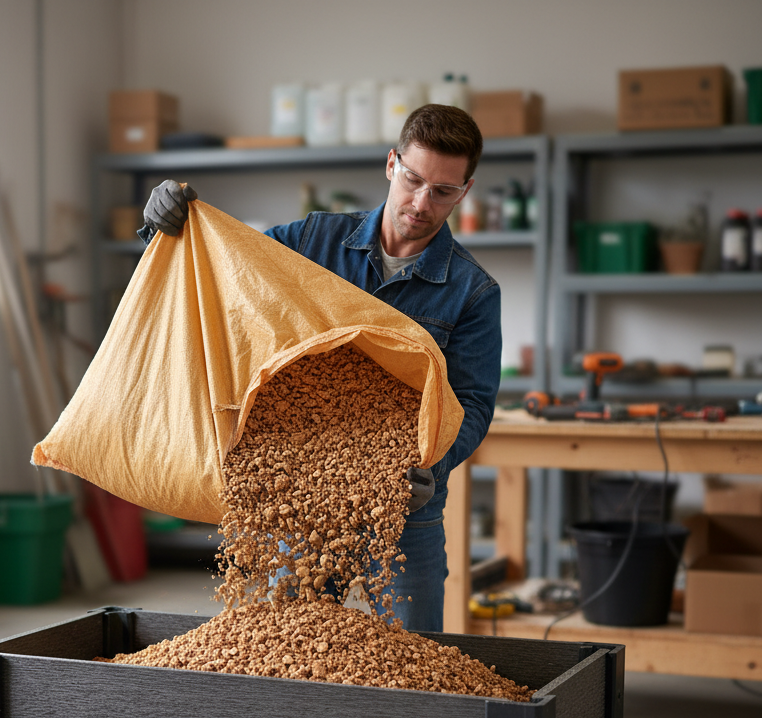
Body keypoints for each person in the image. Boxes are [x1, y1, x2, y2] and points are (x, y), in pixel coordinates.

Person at [141, 104, 501, 632]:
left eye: (443, 191)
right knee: (290, 648)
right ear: (391, 164)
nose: (422, 203)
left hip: (402, 506)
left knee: (416, 655)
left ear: (465, 191)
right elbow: (225, 270)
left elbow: (472, 403)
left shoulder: (472, 291)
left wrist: (434, 465)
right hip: (301, 497)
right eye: (413, 180)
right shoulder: (313, 241)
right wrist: (167, 230)